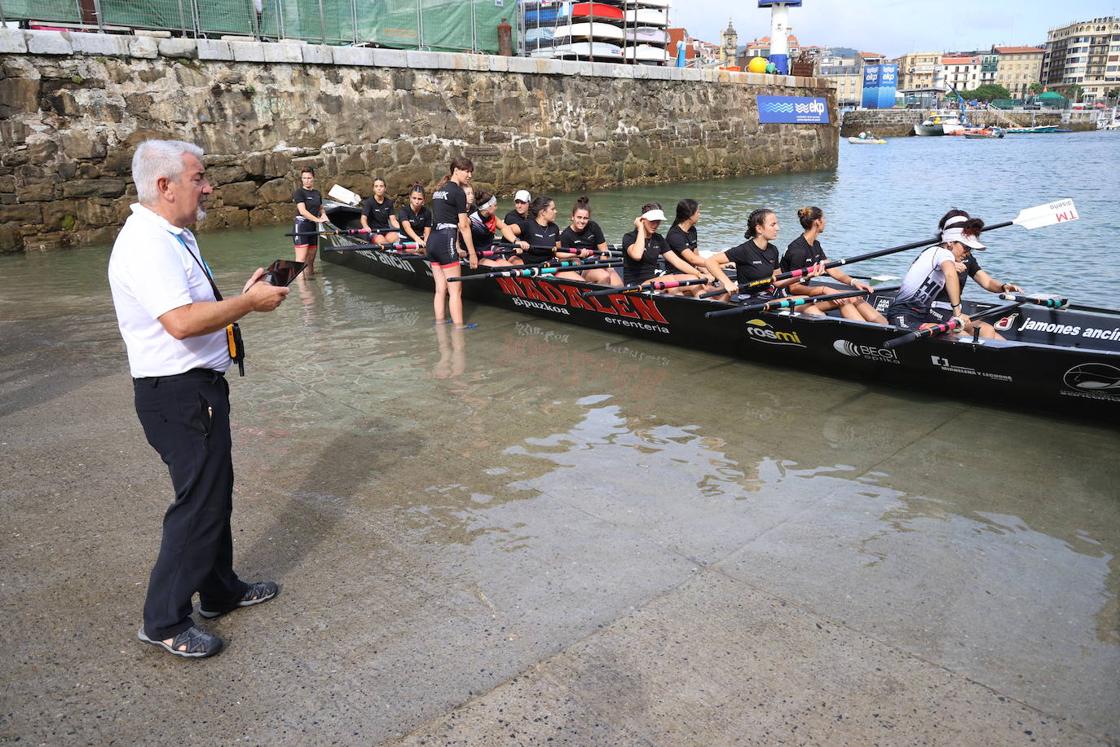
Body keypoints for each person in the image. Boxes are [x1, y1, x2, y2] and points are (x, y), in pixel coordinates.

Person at [108, 139, 288, 659]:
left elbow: (193, 304)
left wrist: (242, 294)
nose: (208, 187)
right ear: (164, 186)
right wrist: (249, 305)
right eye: (198, 178)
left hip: (194, 390)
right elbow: (181, 323)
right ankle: (163, 620)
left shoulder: (170, 234)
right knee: (198, 505)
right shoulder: (147, 243)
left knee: (214, 493)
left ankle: (219, 589)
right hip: (179, 394)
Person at [882, 221, 995, 338]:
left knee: (969, 334)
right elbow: (950, 275)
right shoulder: (941, 253)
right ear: (950, 242)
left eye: (970, 249)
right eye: (965, 247)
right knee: (959, 336)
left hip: (922, 315)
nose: (967, 253)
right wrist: (958, 313)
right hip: (902, 315)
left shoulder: (943, 258)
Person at [782, 207, 886, 323]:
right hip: (790, 298)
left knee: (854, 296)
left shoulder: (815, 244)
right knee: (844, 299)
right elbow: (794, 288)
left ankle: (884, 326)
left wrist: (854, 282)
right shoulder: (798, 250)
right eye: (824, 218)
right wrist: (823, 290)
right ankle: (868, 332)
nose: (825, 221)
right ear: (817, 222)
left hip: (808, 295)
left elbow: (831, 269)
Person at [931, 209, 1022, 335]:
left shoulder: (966, 257)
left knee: (988, 330)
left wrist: (1003, 286)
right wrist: (950, 265)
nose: (968, 252)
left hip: (952, 312)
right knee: (963, 335)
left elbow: (987, 282)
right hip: (932, 309)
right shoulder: (934, 254)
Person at [704, 208, 818, 303]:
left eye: (777, 224)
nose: (778, 228)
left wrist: (805, 276)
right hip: (750, 300)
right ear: (759, 228)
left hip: (769, 297)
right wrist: (727, 283)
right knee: (806, 300)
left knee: (808, 300)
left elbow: (778, 282)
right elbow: (710, 261)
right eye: (773, 225)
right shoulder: (744, 250)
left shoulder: (773, 250)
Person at [429, 156, 479, 328]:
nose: (469, 175)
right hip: (446, 240)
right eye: (467, 171)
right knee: (455, 290)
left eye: (470, 171)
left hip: (433, 241)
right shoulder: (458, 192)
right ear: (456, 170)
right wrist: (472, 253)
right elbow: (464, 226)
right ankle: (459, 329)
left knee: (440, 289)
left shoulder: (438, 191)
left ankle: (440, 325)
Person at [514, 196, 584, 280]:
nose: (556, 211)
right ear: (543, 212)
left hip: (550, 266)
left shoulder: (554, 228)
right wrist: (517, 241)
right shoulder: (528, 225)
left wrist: (577, 254)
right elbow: (506, 229)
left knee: (581, 281)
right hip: (534, 269)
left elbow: (558, 253)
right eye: (553, 209)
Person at [559, 197, 621, 286]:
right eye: (579, 217)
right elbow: (562, 257)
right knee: (604, 277)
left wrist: (603, 265)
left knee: (619, 286)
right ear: (572, 217)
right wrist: (577, 254)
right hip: (582, 267)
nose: (582, 221)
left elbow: (604, 250)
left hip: (598, 262)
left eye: (585, 218)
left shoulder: (593, 226)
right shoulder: (566, 235)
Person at [468, 191, 524, 268]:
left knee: (511, 267)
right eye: (495, 205)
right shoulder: (471, 220)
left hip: (488, 252)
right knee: (499, 267)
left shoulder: (493, 218)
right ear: (488, 207)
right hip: (475, 255)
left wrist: (516, 242)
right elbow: (458, 232)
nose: (496, 207)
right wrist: (459, 249)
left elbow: (504, 228)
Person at [292, 167, 327, 275]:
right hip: (301, 226)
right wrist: (318, 220)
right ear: (301, 179)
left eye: (309, 178)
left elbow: (320, 207)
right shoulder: (299, 192)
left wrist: (324, 215)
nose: (307, 180)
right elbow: (302, 211)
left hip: (312, 226)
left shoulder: (317, 193)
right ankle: (303, 290)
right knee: (301, 260)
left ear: (313, 178)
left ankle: (312, 286)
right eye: (304, 178)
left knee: (311, 260)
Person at [359, 177, 400, 246]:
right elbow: (363, 219)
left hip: (386, 230)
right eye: (376, 186)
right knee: (383, 242)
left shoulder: (389, 202)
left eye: (381, 186)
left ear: (385, 188)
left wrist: (402, 228)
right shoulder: (369, 202)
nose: (379, 188)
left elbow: (393, 220)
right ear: (373, 189)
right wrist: (366, 227)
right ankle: (390, 253)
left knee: (396, 238)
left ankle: (400, 254)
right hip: (374, 231)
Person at [397, 184, 432, 253]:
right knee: (419, 251)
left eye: (419, 199)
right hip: (406, 241)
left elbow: (427, 233)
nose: (416, 201)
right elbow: (407, 227)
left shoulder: (427, 212)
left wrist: (425, 244)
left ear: (424, 200)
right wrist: (417, 239)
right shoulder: (403, 211)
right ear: (410, 198)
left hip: (421, 241)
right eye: (414, 198)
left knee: (429, 251)